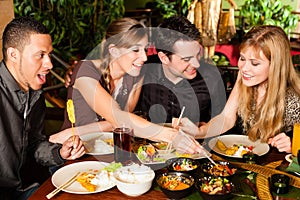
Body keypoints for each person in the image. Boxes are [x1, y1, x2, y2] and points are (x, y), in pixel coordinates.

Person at [50, 17, 203, 155]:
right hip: (73, 153)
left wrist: (78, 131)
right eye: (135, 50)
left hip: (110, 153)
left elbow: (122, 124)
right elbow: (120, 119)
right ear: (114, 51)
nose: (143, 57)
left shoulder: (135, 75)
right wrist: (172, 136)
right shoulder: (85, 71)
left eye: (145, 49)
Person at [177, 25, 300, 153]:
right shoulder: (245, 78)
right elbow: (227, 118)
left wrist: (293, 146)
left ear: (276, 65)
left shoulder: (294, 99)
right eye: (242, 58)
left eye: (254, 63)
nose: (244, 68)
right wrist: (198, 131)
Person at [0, 16, 85, 199]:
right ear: (13, 54)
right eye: (40, 55)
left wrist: (60, 152)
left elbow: (35, 144)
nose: (50, 64)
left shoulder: (35, 92)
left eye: (49, 55)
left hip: (30, 186)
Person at [135, 16, 226, 124]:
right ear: (164, 58)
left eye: (198, 54)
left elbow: (222, 124)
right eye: (186, 59)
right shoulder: (143, 72)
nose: (196, 64)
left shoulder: (213, 77)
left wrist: (206, 129)